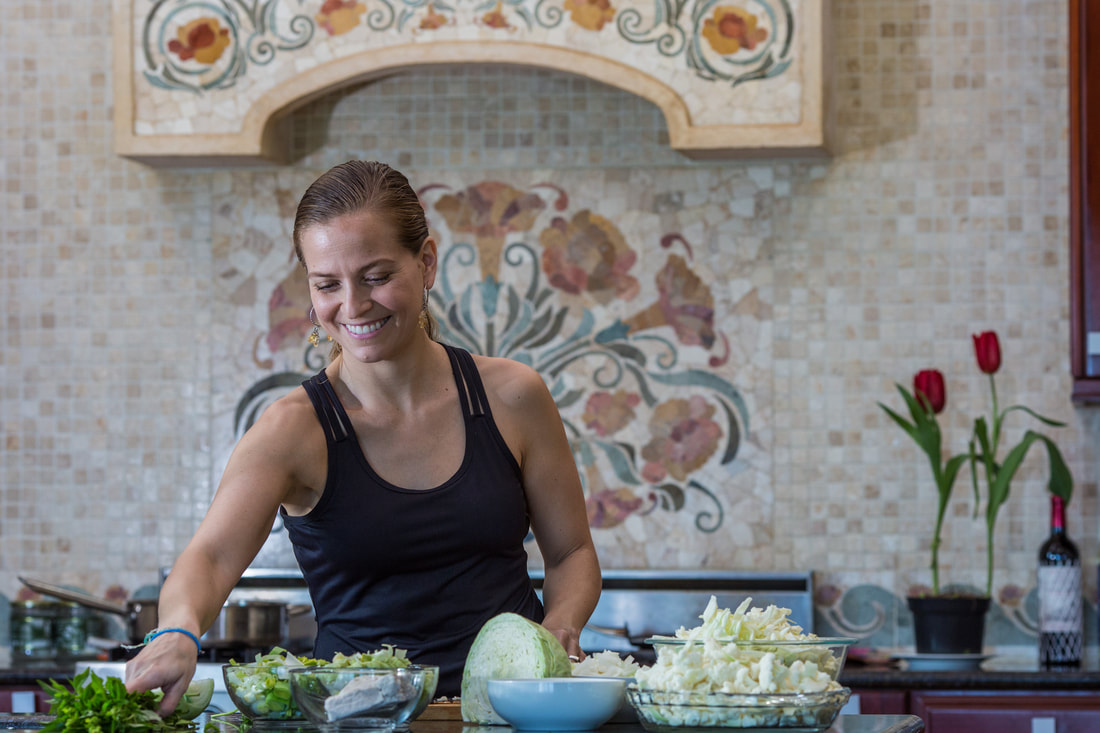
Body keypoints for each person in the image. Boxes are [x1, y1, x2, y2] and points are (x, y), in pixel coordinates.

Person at [125, 160, 602, 714]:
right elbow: (209, 558)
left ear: (426, 262)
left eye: (376, 277)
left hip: (513, 713)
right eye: (327, 284)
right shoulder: (291, 430)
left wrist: (560, 626)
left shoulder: (513, 396)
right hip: (359, 721)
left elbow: (570, 552)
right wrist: (176, 633)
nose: (352, 306)